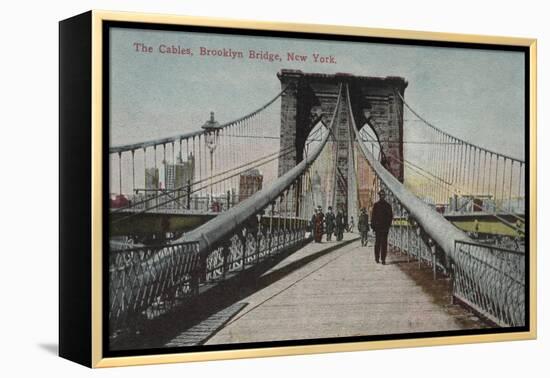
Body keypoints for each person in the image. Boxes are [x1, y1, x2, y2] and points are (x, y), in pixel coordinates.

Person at [371, 190, 393, 264]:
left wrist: (374, 226)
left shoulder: (378, 205)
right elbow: (373, 217)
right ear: (380, 196)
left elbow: (390, 217)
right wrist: (374, 226)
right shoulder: (385, 205)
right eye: (381, 195)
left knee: (382, 244)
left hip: (382, 228)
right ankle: (378, 258)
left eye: (383, 195)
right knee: (380, 243)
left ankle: (382, 259)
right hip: (381, 228)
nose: (382, 196)